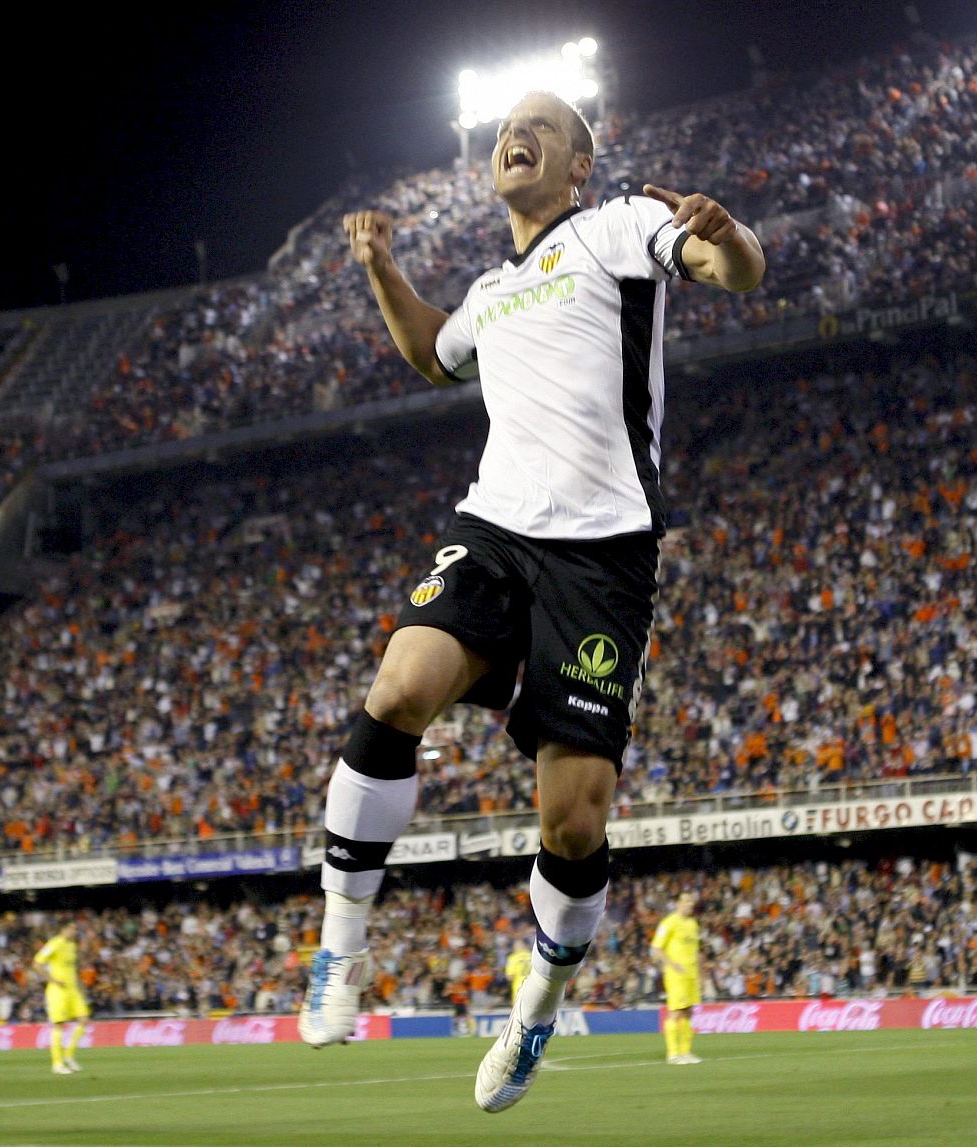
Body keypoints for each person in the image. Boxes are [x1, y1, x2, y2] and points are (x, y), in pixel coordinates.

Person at [296, 87, 764, 1117]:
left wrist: (728, 238)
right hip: (495, 527)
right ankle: (341, 946)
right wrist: (383, 269)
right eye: (510, 124)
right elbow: (431, 351)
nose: (517, 134)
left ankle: (537, 1004)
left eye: (542, 128)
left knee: (575, 819)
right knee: (401, 684)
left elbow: (734, 271)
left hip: (601, 555)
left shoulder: (619, 228)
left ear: (576, 167)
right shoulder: (490, 287)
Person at [650, 892, 703, 1064]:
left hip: (692, 975)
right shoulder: (670, 922)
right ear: (678, 903)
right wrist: (672, 965)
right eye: (687, 901)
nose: (691, 904)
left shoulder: (693, 923)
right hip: (676, 975)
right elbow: (656, 948)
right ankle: (673, 1054)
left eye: (692, 901)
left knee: (688, 1012)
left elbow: (695, 950)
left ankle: (685, 1052)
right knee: (676, 1013)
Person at [34, 922, 90, 1074]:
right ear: (64, 929)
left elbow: (71, 968)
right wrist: (52, 980)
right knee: (59, 1025)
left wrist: (80, 986)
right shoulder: (54, 943)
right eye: (72, 928)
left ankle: (68, 1056)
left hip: (73, 989)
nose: (75, 931)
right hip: (58, 990)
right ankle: (57, 1064)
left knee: (84, 1019)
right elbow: (37, 963)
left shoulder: (72, 945)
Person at [504, 935, 533, 1006]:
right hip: (533, 987)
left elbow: (509, 977)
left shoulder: (513, 958)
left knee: (518, 1012)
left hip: (519, 988)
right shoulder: (532, 956)